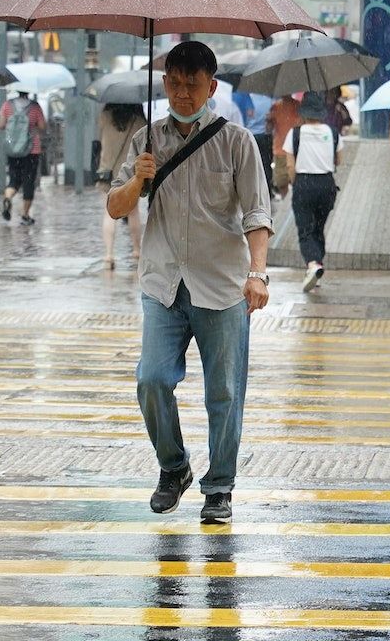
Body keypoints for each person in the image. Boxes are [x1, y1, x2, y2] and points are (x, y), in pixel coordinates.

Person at [106, 40, 272, 524]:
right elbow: (116, 208)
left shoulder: (237, 141)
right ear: (165, 85)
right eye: (174, 84)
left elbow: (257, 212)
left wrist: (257, 273)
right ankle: (174, 467)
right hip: (163, 284)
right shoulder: (146, 140)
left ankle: (219, 486)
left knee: (224, 392)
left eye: (191, 85)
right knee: (152, 380)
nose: (182, 93)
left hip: (221, 286)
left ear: (211, 86)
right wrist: (139, 180)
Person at [285, 92, 343, 293]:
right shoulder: (333, 132)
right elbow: (338, 160)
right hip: (327, 184)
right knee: (318, 228)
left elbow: (290, 166)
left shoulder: (295, 133)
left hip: (304, 183)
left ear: (304, 112)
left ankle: (312, 264)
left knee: (305, 230)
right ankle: (316, 268)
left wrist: (297, 185)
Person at [97, 103, 147, 268]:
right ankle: (137, 250)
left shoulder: (105, 117)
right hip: (130, 172)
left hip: (108, 171)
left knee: (108, 212)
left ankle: (109, 254)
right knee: (133, 212)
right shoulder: (139, 121)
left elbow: (100, 137)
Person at [0, 90, 48, 226]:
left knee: (14, 179)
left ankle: (8, 198)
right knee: (28, 181)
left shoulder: (7, 105)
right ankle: (25, 215)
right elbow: (43, 126)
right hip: (31, 150)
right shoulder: (35, 107)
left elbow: (1, 125)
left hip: (13, 150)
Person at [237, 91, 275, 195]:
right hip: (266, 136)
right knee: (266, 164)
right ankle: (267, 190)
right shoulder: (269, 99)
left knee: (251, 165)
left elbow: (248, 115)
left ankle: (254, 190)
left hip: (251, 136)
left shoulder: (248, 99)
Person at [267, 94, 301, 198]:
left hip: (295, 150)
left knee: (295, 180)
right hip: (280, 150)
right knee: (281, 182)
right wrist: (269, 120)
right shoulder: (275, 107)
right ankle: (285, 203)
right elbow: (268, 129)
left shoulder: (298, 106)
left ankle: (292, 203)